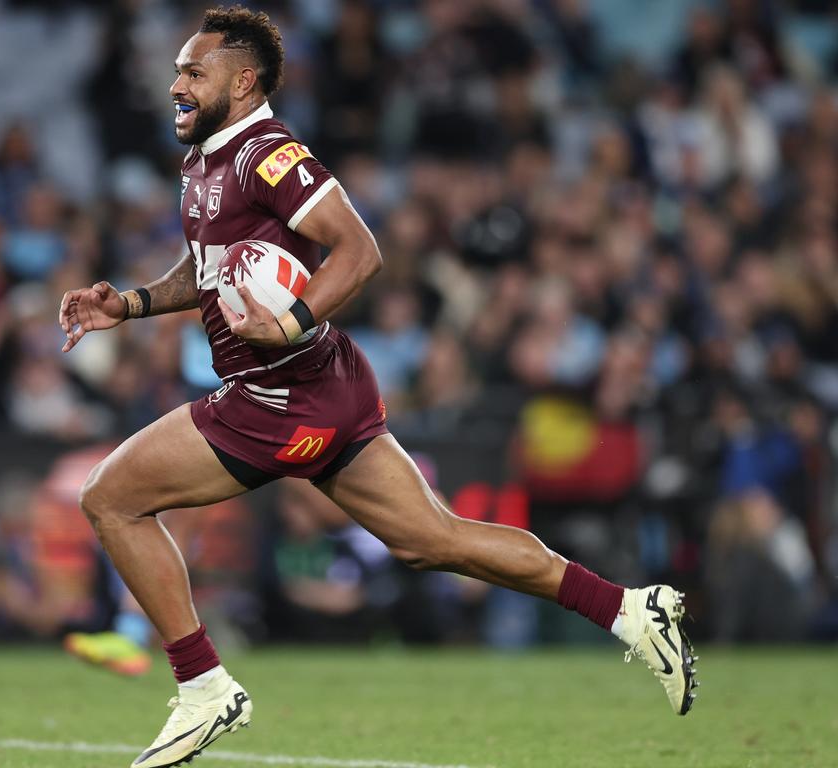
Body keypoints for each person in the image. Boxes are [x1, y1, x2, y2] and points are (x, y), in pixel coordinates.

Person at [57, 8, 698, 768]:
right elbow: (205, 276)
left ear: (244, 80)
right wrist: (127, 304)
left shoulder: (269, 154)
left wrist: (290, 319)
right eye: (178, 72)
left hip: (278, 393)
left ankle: (203, 687)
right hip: (322, 383)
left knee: (111, 497)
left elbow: (360, 251)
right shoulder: (206, 161)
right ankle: (629, 609)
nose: (177, 85)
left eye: (194, 73)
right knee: (434, 541)